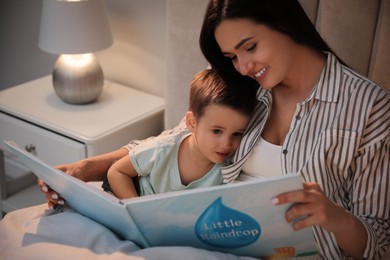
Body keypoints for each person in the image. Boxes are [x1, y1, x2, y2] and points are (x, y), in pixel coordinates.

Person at [38, 0, 390, 259]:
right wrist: (81, 171)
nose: (245, 65)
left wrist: (334, 216)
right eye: (233, 55)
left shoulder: (367, 107)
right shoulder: (240, 81)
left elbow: (380, 241)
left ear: (284, 22)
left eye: (250, 47)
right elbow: (175, 141)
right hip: (209, 240)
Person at [106, 68, 256, 199]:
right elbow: (117, 171)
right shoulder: (162, 149)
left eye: (237, 134)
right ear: (191, 123)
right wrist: (135, 206)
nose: (226, 144)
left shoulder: (228, 168)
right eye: (217, 131)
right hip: (141, 199)